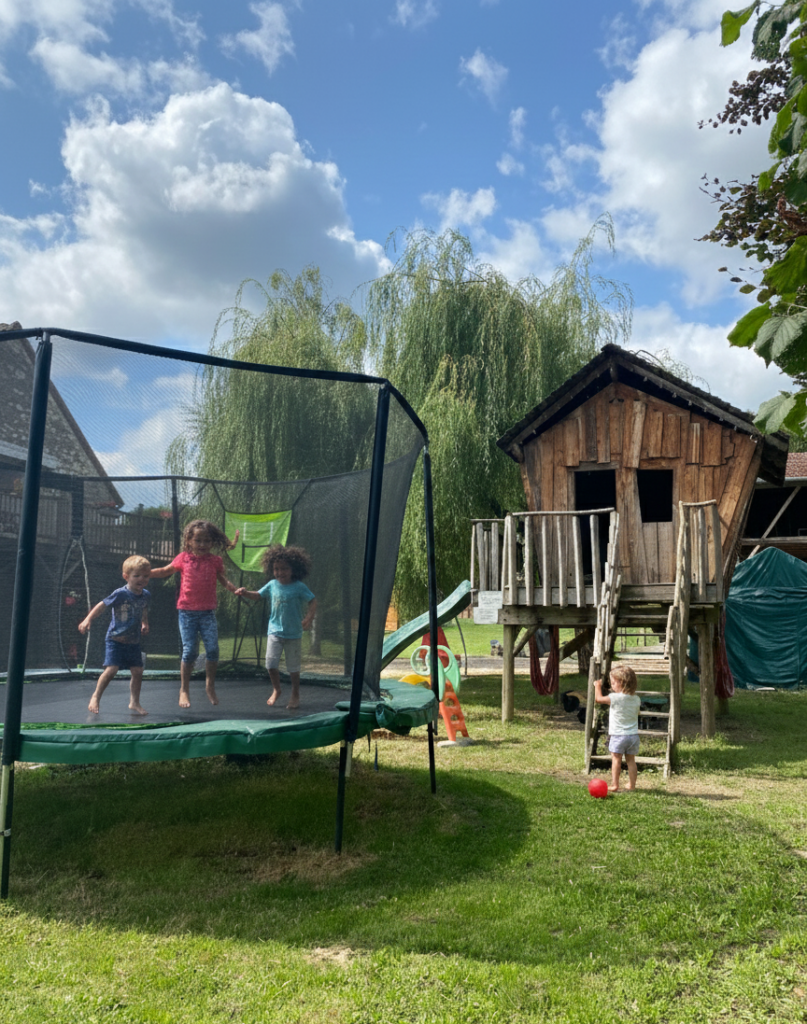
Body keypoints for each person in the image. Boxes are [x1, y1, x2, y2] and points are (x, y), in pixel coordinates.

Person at [149, 519, 238, 708]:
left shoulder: (215, 561)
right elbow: (165, 571)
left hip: (207, 613)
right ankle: (184, 690)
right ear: (189, 541)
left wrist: (234, 589)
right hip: (187, 612)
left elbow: (223, 580)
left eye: (207, 541)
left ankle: (210, 686)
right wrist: (147, 573)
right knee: (190, 651)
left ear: (212, 542)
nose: (202, 544)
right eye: (198, 540)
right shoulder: (183, 558)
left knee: (212, 650)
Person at [236, 544, 316, 710]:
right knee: (271, 665)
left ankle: (295, 693)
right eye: (276, 569)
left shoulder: (299, 587)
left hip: (293, 634)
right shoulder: (272, 584)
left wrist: (309, 618)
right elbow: (258, 595)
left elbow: (313, 601)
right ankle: (277, 689)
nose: (280, 572)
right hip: (275, 631)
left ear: (294, 569)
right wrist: (246, 593)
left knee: (293, 668)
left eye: (284, 568)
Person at [78, 555, 151, 715]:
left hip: (133, 641)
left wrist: (144, 622)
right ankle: (96, 696)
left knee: (138, 671)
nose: (142, 579)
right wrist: (88, 619)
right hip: (115, 640)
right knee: (112, 669)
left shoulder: (145, 594)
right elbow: (102, 605)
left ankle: (134, 702)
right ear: (126, 576)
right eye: (137, 576)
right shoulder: (120, 593)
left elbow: (144, 608)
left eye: (145, 576)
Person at [594, 664, 641, 792]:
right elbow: (637, 713)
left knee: (616, 759)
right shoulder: (636, 699)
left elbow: (598, 699)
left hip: (618, 735)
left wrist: (597, 686)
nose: (612, 686)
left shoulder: (614, 697)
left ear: (622, 683)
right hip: (633, 736)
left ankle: (615, 784)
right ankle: (632, 785)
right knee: (631, 761)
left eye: (614, 683)